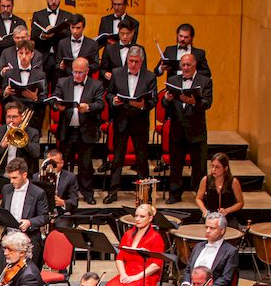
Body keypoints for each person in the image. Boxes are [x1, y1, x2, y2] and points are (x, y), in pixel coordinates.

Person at [159, 212, 240, 286]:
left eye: (212, 228)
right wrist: (186, 285)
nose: (207, 231)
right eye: (206, 227)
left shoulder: (230, 251)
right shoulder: (198, 246)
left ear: (222, 230)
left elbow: (226, 279)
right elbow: (188, 269)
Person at [0, 105, 41, 239]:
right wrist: (2, 146)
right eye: (8, 117)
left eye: (14, 117)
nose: (10, 120)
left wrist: (22, 140)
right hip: (1, 175)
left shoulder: (32, 132)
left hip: (22, 178)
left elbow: (36, 153)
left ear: (21, 117)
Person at [104, 46, 157, 204]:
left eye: (136, 62)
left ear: (141, 62)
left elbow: (153, 100)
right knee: (117, 158)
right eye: (130, 61)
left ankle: (144, 195)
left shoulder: (150, 76)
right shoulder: (117, 73)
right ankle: (113, 192)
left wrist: (141, 105)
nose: (132, 65)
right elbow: (109, 94)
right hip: (121, 119)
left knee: (141, 159)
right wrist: (114, 100)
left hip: (139, 121)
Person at [52, 57, 105, 205]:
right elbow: (55, 99)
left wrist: (88, 107)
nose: (77, 75)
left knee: (86, 164)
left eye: (80, 73)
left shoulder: (96, 84)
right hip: (67, 130)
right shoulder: (63, 82)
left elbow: (100, 104)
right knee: (64, 163)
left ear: (87, 71)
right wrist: (58, 106)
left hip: (86, 130)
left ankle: (87, 193)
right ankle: (62, 194)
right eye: (75, 72)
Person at [162, 53, 214, 201]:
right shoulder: (172, 80)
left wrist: (193, 102)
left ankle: (199, 195)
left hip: (196, 130)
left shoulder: (205, 81)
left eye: (188, 65)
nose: (185, 68)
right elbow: (166, 106)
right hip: (177, 130)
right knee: (176, 166)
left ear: (195, 65)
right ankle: (174, 194)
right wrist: (166, 99)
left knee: (199, 167)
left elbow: (207, 103)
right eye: (183, 65)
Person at [98, 203, 167, 286]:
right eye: (136, 216)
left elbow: (156, 265)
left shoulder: (156, 237)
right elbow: (120, 258)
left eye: (142, 216)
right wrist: (123, 274)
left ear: (150, 218)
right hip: (127, 273)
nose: (138, 219)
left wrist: (135, 277)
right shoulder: (128, 234)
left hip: (144, 276)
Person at [0, 157, 50, 257]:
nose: (11, 181)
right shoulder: (6, 189)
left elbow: (44, 217)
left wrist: (29, 222)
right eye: (10, 177)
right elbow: (3, 210)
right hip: (8, 238)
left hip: (28, 239)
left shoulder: (38, 193)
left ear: (24, 175)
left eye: (14, 178)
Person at [195, 152, 245, 217]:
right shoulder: (205, 180)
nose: (213, 169)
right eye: (212, 166)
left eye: (217, 167)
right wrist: (204, 211)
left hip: (228, 215)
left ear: (225, 168)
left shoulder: (233, 182)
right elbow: (198, 198)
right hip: (210, 214)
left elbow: (240, 203)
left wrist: (227, 210)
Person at [42, 149, 80, 228]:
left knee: (61, 229)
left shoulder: (70, 177)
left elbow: (74, 201)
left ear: (62, 163)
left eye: (55, 163)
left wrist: (62, 202)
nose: (52, 166)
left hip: (61, 214)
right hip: (43, 213)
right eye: (49, 163)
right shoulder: (37, 176)